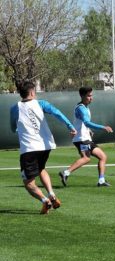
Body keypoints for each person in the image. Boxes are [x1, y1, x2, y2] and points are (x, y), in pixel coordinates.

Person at [10, 81, 77, 214]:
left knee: (28, 183)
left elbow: (13, 128)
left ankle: (45, 200)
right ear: (32, 92)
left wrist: (20, 129)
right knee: (41, 169)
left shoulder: (15, 108)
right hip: (45, 146)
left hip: (29, 148)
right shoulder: (41, 103)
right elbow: (57, 113)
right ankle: (52, 194)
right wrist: (70, 126)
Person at [59, 87, 113, 187]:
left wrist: (89, 131)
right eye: (89, 96)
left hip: (85, 138)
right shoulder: (81, 108)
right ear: (82, 96)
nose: (91, 98)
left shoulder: (85, 107)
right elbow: (87, 123)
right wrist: (103, 127)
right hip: (81, 139)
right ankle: (65, 172)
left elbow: (82, 124)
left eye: (91, 95)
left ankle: (101, 181)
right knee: (86, 158)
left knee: (103, 157)